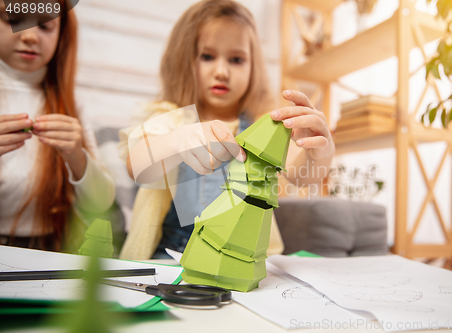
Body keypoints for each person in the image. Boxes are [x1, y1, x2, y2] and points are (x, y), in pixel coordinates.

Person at [118, 0, 334, 260]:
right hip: (174, 255)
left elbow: (300, 176)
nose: (221, 71)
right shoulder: (168, 117)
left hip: (241, 255)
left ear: (253, 67)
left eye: (236, 59)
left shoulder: (261, 124)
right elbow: (137, 166)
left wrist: (318, 154)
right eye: (207, 56)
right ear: (183, 60)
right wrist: (177, 141)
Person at [0, 0, 116, 252]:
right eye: (15, 20)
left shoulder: (72, 104)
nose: (30, 36)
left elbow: (102, 201)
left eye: (45, 26)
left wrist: (77, 155)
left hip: (50, 251)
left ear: (62, 33)